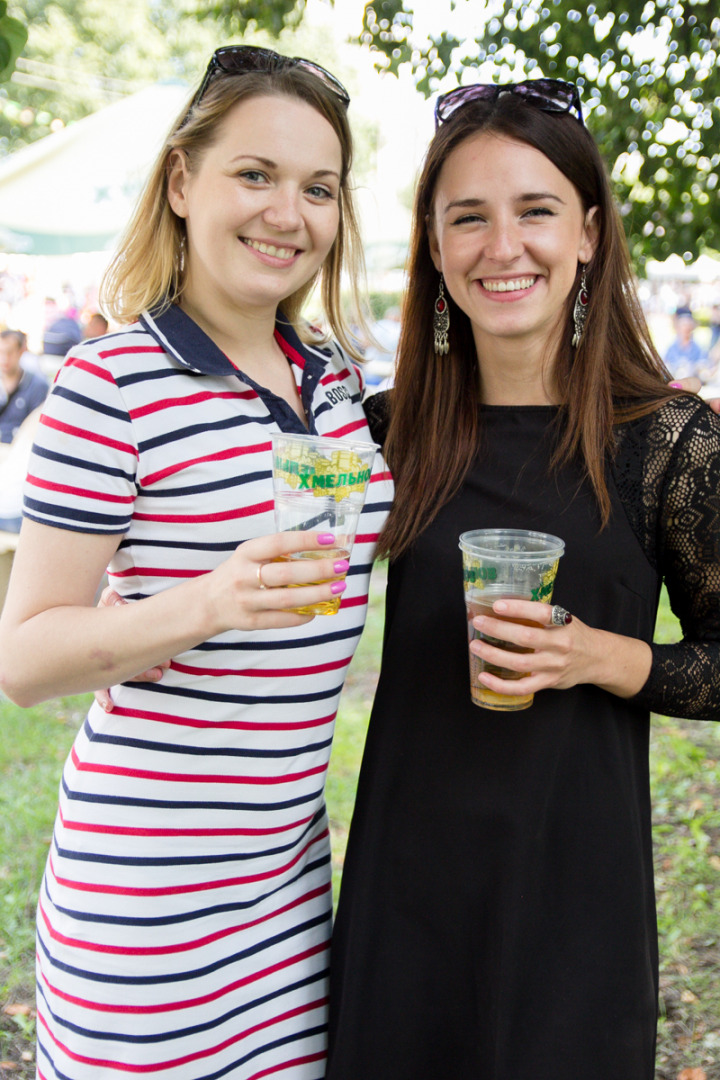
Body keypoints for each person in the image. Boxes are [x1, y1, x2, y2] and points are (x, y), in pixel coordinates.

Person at [0, 45, 392, 1080]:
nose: (287, 213)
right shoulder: (110, 382)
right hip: (144, 910)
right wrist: (212, 599)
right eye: (253, 175)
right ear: (183, 183)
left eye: (317, 188)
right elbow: (27, 658)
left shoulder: (337, 382)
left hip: (290, 894)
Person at [326, 78, 720, 1080]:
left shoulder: (667, 444)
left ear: (587, 233)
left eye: (535, 211)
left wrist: (603, 656)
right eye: (469, 218)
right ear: (434, 242)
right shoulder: (380, 435)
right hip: (404, 906)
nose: (503, 247)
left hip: (575, 911)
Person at [0, 329, 48, 443]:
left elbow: (37, 427)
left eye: (10, 352)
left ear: (21, 351)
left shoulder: (37, 386)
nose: (4, 358)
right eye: (1, 352)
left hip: (20, 450)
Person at [664, 305, 707, 381]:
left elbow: (703, 368)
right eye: (684, 326)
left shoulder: (698, 348)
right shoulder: (671, 348)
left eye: (689, 326)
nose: (686, 329)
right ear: (678, 328)